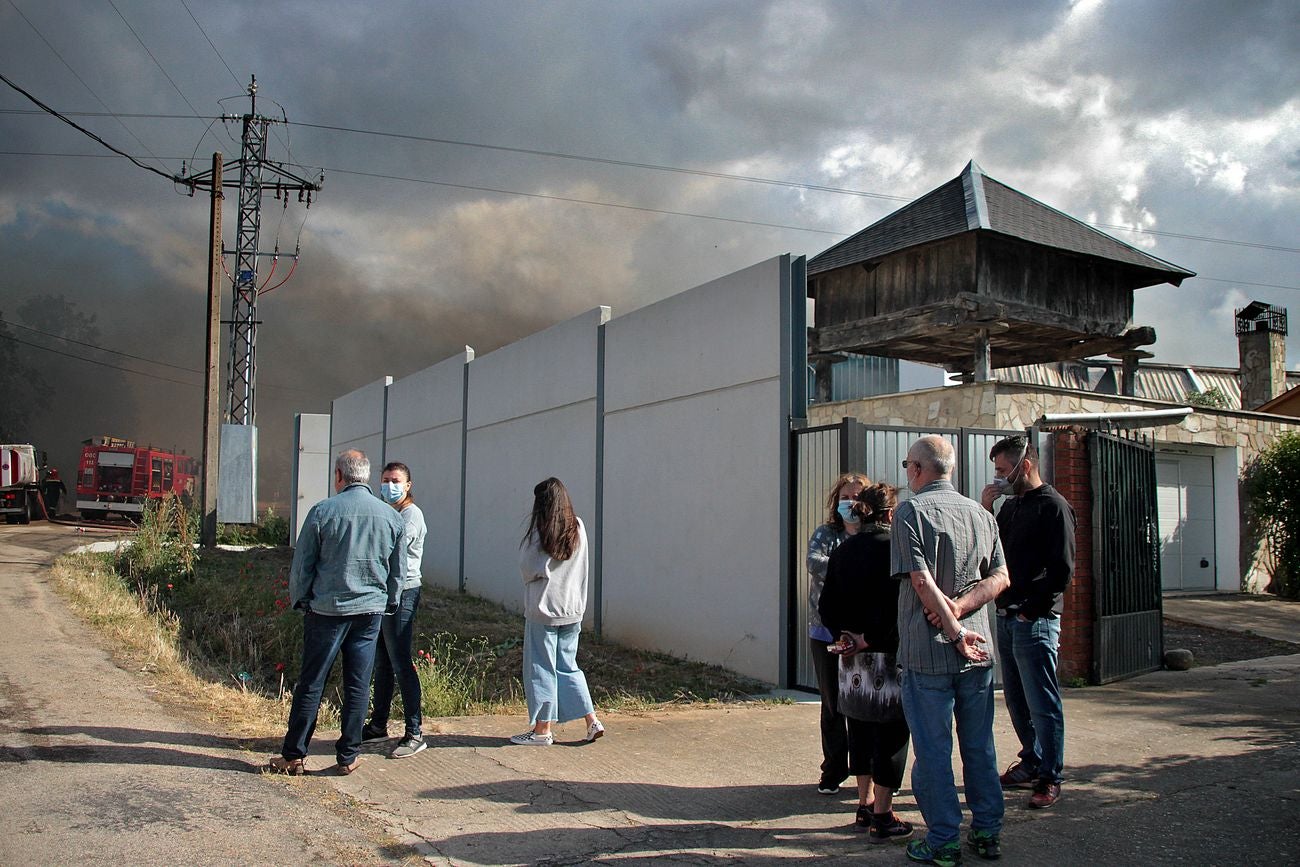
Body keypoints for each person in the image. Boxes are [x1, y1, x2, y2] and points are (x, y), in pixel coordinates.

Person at [892, 436, 1010, 866]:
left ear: (919, 470)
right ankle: (986, 831)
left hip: (930, 654)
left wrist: (953, 626)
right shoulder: (981, 514)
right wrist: (962, 613)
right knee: (979, 747)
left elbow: (921, 583)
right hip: (978, 652)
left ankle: (943, 839)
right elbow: (1000, 578)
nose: (907, 471)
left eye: (908, 464)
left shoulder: (911, 512)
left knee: (934, 752)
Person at [269, 449, 405, 776]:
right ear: (368, 478)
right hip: (370, 612)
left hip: (327, 611)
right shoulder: (391, 517)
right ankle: (348, 755)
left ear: (339, 476)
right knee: (358, 684)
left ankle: (294, 754)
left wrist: (300, 600)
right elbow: (397, 572)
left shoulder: (322, 512)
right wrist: (389, 602)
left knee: (312, 682)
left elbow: (303, 566)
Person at [979, 436, 1075, 810]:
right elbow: (991, 552)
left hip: (1034, 620)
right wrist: (987, 509)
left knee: (1042, 701)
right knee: (1017, 699)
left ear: (1026, 466)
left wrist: (1030, 610)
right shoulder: (1012, 506)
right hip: (1008, 616)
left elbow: (1062, 571)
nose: (1000, 477)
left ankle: (1050, 775)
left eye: (1004, 470)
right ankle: (1031, 760)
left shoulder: (1053, 506)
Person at [818, 483, 913, 844]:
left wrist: (845, 637)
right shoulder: (897, 551)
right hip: (888, 657)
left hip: (851, 659)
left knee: (858, 728)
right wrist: (871, 638)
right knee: (891, 733)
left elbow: (827, 606)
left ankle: (863, 803)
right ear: (890, 514)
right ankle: (883, 815)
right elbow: (898, 609)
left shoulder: (843, 551)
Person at [511, 477, 604, 746]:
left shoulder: (539, 532)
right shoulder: (579, 527)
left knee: (541, 668)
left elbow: (527, 568)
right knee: (568, 667)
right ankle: (591, 720)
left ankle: (542, 730)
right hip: (572, 608)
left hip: (544, 609)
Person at [806, 471, 871, 795]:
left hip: (864, 635)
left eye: (857, 497)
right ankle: (833, 768)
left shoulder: (873, 536)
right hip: (826, 632)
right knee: (832, 703)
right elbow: (813, 561)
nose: (851, 503)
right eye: (845, 497)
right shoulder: (826, 534)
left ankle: (870, 773)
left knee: (864, 703)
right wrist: (850, 564)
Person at [362, 461, 428, 759]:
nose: (390, 485)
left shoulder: (411, 516)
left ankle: (414, 732)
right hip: (383, 593)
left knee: (400, 661)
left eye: (396, 480)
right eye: (386, 479)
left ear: (408, 485)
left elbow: (391, 550)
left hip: (403, 594)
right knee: (383, 662)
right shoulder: (389, 511)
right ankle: (378, 725)